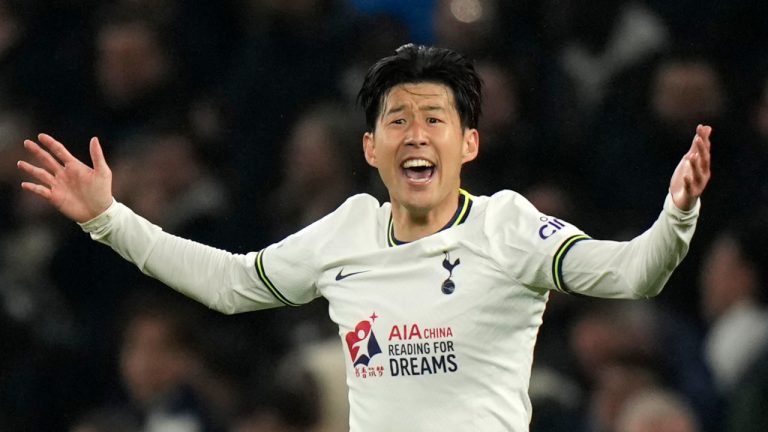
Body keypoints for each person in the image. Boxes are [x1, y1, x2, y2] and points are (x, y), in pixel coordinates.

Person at [17, 44, 712, 431]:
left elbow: (632, 274)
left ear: (469, 143)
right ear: (371, 148)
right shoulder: (348, 231)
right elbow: (231, 284)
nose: (416, 134)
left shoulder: (508, 226)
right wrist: (110, 219)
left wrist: (677, 214)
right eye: (398, 120)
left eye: (435, 119)